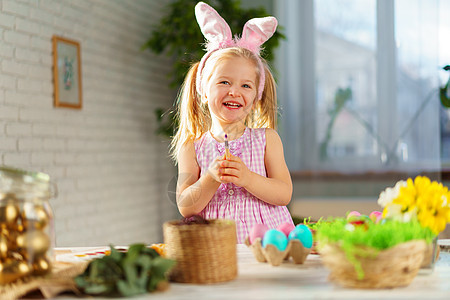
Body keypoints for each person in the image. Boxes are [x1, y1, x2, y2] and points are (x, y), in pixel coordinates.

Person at [171, 2, 294, 243]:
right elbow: (185, 206)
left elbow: (284, 193)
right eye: (224, 82)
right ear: (204, 91)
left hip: (267, 244)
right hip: (216, 249)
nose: (234, 92)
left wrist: (248, 178)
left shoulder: (267, 139)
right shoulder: (192, 146)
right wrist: (210, 178)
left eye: (245, 85)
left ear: (255, 96)